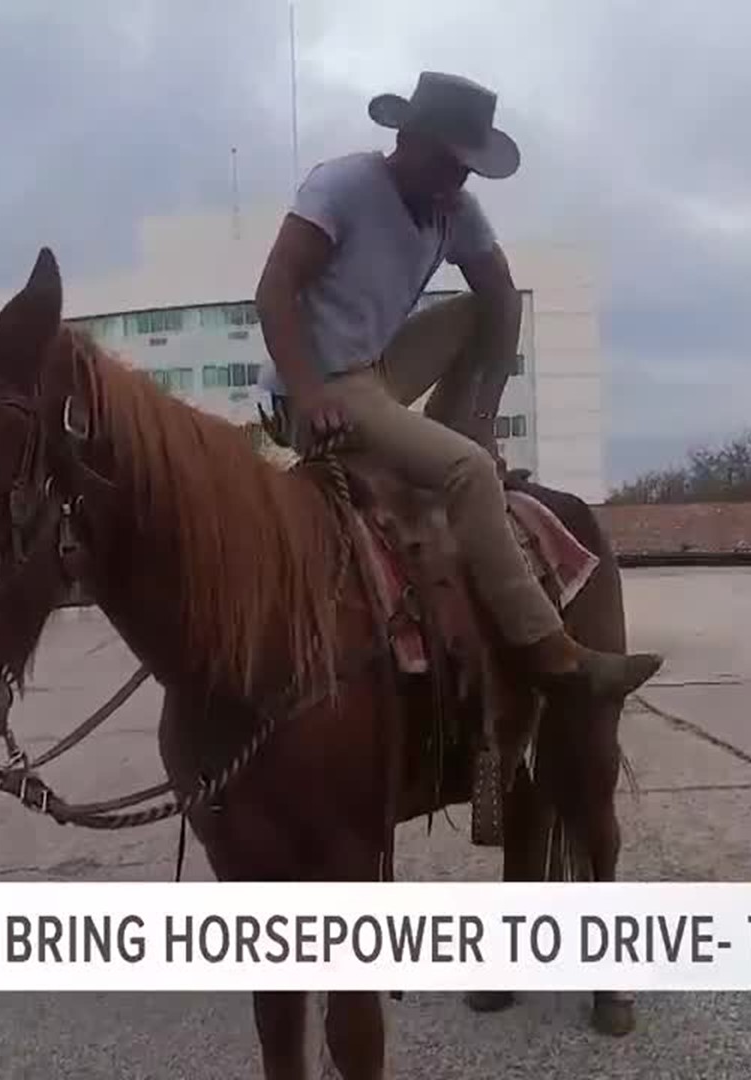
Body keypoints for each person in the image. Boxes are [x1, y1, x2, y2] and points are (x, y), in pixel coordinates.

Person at [253, 70, 663, 702]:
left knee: (489, 307)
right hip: (319, 384)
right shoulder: (342, 185)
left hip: (373, 369)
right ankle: (550, 652)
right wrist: (309, 394)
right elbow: (275, 287)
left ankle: (458, 436)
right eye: (447, 166)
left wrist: (483, 414)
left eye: (466, 171)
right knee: (469, 472)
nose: (456, 183)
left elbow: (500, 293)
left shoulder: (454, 211)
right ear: (407, 142)